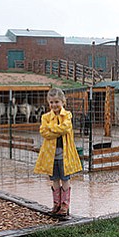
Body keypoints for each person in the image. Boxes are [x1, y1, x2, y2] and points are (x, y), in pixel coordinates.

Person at [34, 87, 82, 216]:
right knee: (54, 179)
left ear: (63, 102)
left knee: (65, 179)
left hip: (64, 154)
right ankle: (56, 204)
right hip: (51, 155)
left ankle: (65, 205)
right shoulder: (45, 117)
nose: (54, 105)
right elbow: (44, 132)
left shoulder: (67, 115)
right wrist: (56, 129)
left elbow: (65, 128)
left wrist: (51, 128)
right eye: (51, 102)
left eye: (57, 102)